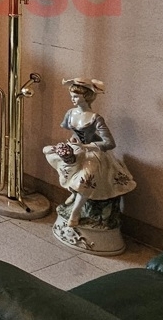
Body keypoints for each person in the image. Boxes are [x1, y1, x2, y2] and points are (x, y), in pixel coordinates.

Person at [42, 78, 136, 227]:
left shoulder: (95, 118)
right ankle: (74, 193)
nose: (72, 99)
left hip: (93, 152)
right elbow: (74, 133)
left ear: (86, 97)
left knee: (86, 177)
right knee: (49, 151)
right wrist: (73, 141)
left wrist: (86, 146)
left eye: (76, 96)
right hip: (76, 147)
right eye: (71, 95)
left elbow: (110, 143)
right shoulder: (70, 113)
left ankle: (76, 212)